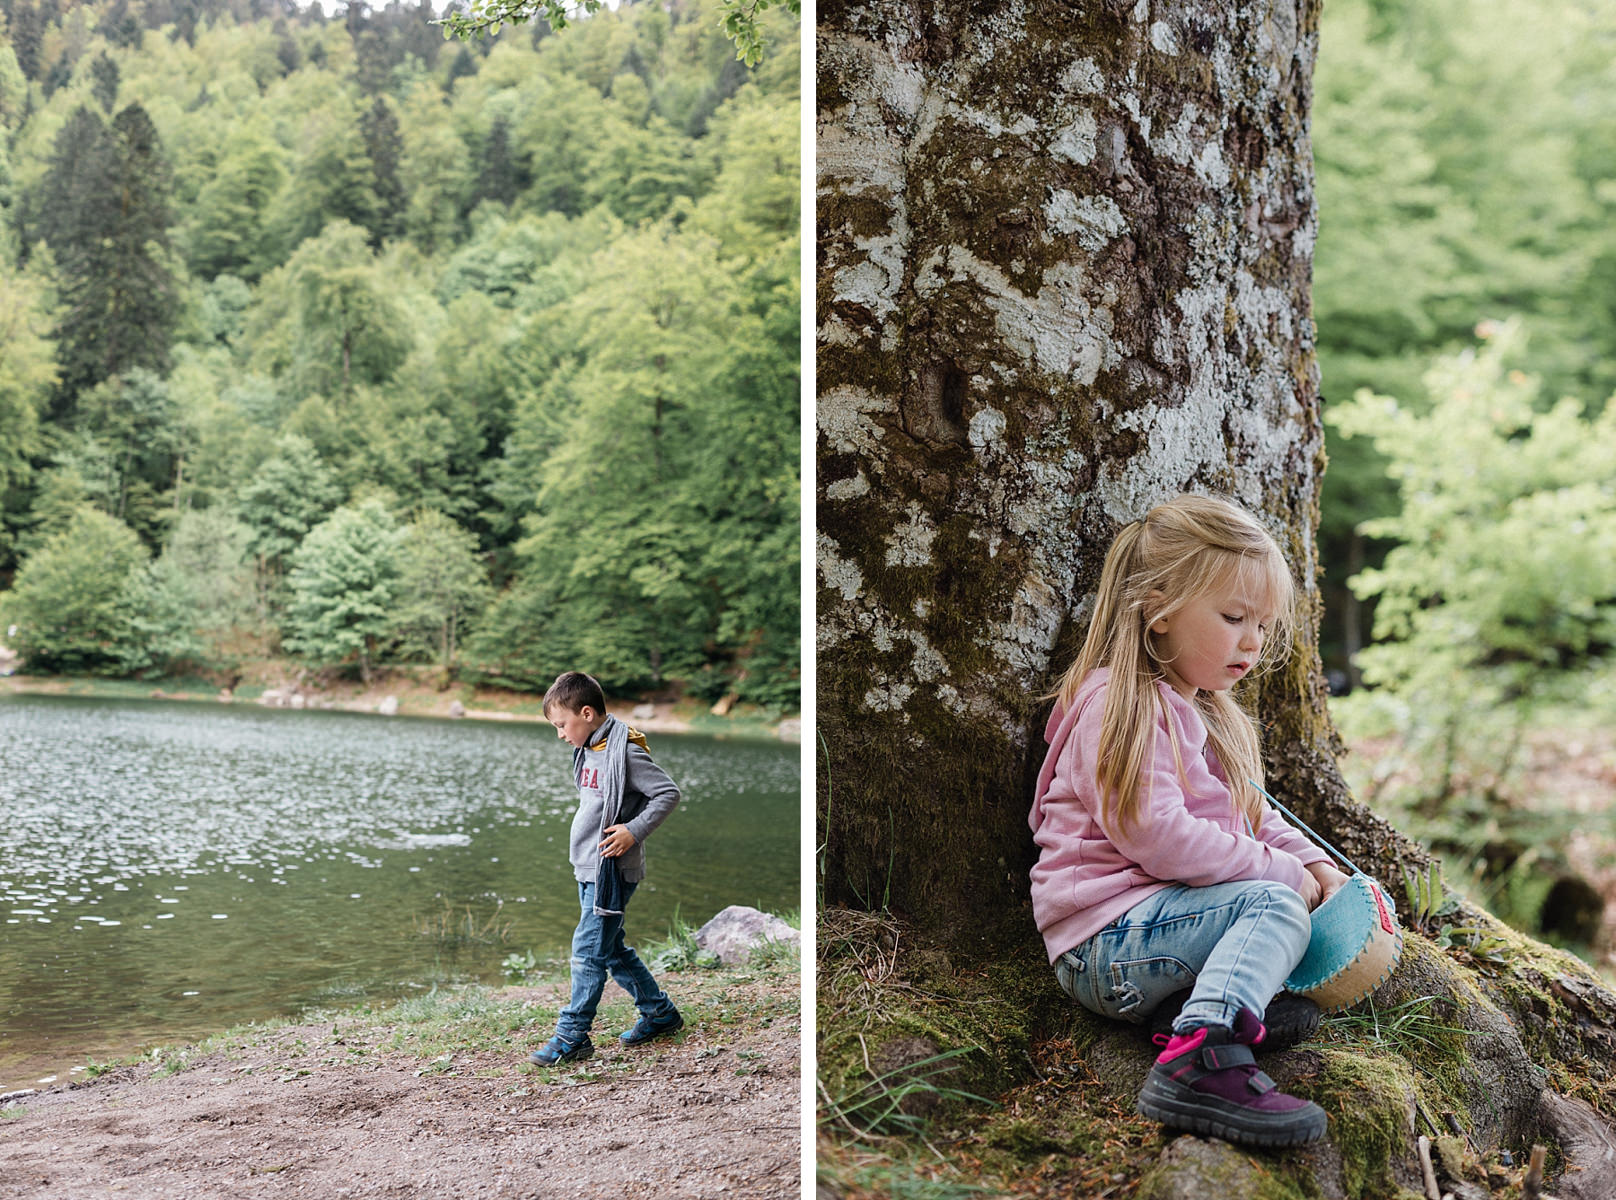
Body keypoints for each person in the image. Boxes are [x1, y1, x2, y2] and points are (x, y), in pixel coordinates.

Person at [1028, 494, 1350, 1147]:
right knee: (1276, 908)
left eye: (1262, 625)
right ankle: (1198, 1065)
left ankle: (1193, 1013)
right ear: (1158, 609)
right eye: (1234, 617)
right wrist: (1285, 877)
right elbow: (1158, 838)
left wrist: (1317, 865)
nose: (1253, 642)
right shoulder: (1121, 708)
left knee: (1279, 905)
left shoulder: (1204, 716)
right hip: (1106, 945)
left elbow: (1252, 820)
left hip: (1155, 936)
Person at [529, 671, 684, 1066]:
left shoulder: (626, 751)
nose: (561, 734)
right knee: (611, 949)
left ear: (586, 713)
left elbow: (667, 793)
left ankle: (573, 1035)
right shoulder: (590, 749)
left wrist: (634, 831)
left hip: (612, 871)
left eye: (562, 725)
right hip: (588, 865)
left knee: (587, 952)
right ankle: (659, 1013)